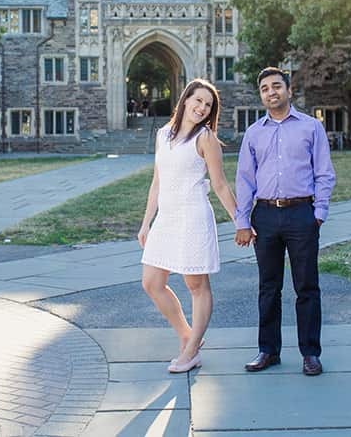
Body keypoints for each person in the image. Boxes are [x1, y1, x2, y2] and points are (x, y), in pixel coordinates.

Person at [235, 67, 336, 376]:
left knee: (306, 286)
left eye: (276, 86)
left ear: (289, 91)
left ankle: (310, 353)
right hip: (265, 216)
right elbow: (244, 179)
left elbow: (324, 173)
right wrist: (242, 220)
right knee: (268, 287)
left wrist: (318, 214)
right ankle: (268, 350)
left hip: (301, 214)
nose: (271, 92)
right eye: (264, 88)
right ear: (262, 95)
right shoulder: (254, 133)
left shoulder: (311, 128)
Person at [138, 78, 243, 373]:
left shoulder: (205, 139)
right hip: (166, 219)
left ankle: (192, 350)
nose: (202, 108)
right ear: (185, 100)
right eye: (198, 101)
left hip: (193, 217)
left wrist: (240, 221)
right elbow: (156, 183)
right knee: (151, 283)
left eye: (208, 105)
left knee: (196, 285)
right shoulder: (162, 135)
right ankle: (187, 334)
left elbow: (220, 185)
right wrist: (146, 223)